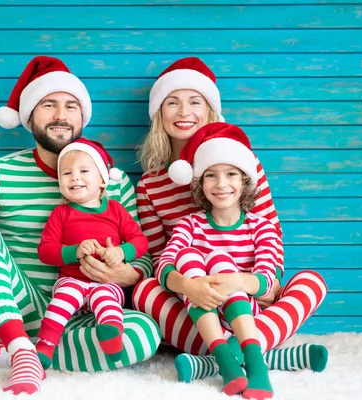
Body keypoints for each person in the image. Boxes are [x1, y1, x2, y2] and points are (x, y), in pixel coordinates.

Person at [0, 56, 159, 395]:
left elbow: (144, 258)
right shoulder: (0, 173)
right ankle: (19, 346)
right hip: (16, 310)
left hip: (88, 313)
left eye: (71, 106)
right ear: (29, 116)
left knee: (143, 334)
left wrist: (124, 273)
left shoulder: (114, 180)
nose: (61, 115)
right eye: (48, 105)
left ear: (83, 117)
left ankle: (8, 357)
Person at [131, 57, 328, 382]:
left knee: (311, 282)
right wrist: (190, 286)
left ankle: (220, 358)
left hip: (249, 290)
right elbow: (157, 259)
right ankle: (256, 353)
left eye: (195, 101)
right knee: (143, 289)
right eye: (172, 102)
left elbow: (271, 243)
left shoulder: (243, 163)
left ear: (210, 109)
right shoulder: (150, 185)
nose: (184, 112)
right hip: (193, 298)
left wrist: (246, 283)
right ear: (158, 113)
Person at [163, 122, 278, 399]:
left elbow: (266, 279)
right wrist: (190, 286)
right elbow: (165, 265)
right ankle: (225, 358)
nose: (221, 184)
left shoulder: (261, 226)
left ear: (245, 181)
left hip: (245, 313)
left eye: (231, 174)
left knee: (218, 258)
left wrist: (232, 281)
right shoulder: (190, 224)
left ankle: (253, 362)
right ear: (201, 184)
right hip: (201, 311)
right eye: (211, 175)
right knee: (187, 255)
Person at [35, 138, 148, 368]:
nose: (74, 177)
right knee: (62, 300)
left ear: (103, 181)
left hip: (106, 283)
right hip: (71, 280)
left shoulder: (116, 210)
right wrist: (73, 252)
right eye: (66, 173)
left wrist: (120, 252)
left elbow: (140, 241)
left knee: (107, 300)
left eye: (84, 170)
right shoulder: (61, 214)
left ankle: (111, 338)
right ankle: (45, 346)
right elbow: (45, 251)